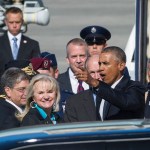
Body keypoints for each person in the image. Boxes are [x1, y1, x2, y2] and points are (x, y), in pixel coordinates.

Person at [73, 46, 146, 120]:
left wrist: (95, 83)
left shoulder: (135, 87)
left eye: (105, 63)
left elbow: (126, 102)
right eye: (100, 64)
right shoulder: (101, 91)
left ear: (121, 66)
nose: (100, 68)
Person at [0, 7, 41, 77]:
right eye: (11, 22)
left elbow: (36, 68)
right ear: (6, 22)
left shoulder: (32, 44)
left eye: (17, 22)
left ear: (22, 22)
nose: (14, 25)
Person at [64, 55, 102, 122]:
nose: (96, 77)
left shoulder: (118, 97)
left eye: (99, 72)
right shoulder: (74, 103)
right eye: (92, 73)